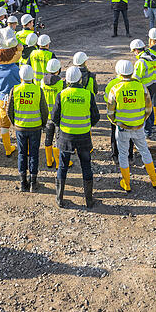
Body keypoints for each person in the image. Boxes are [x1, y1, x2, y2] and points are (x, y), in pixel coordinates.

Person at [51, 66, 100, 208]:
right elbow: (96, 116)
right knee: (86, 165)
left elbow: (54, 117)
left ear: (66, 80)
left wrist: (64, 125)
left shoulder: (62, 95)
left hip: (66, 136)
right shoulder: (88, 95)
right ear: (80, 79)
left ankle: (59, 199)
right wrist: (86, 124)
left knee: (62, 166)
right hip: (84, 136)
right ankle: (89, 200)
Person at [108, 60, 156, 192]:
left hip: (122, 129)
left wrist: (117, 123)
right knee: (144, 151)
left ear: (119, 72)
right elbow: (148, 109)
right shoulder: (141, 87)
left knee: (123, 154)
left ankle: (127, 183)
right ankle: (154, 180)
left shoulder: (115, 89)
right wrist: (141, 120)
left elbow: (110, 112)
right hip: (139, 127)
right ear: (132, 72)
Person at [9, 65, 49, 193]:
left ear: (20, 76)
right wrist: (43, 124)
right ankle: (33, 182)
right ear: (32, 76)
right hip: (35, 127)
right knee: (33, 154)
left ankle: (22, 183)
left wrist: (15, 123)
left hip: (20, 128)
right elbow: (44, 110)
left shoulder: (15, 90)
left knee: (21, 153)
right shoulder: (38, 90)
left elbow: (9, 110)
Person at [0, 27, 22, 157]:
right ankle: (25, 147)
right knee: (19, 123)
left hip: (2, 98)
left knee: (4, 124)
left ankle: (8, 148)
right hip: (16, 98)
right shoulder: (15, 70)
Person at [131, 39, 156, 137]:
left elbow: (136, 78)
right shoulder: (152, 56)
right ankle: (151, 125)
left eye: (133, 51)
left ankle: (147, 130)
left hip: (145, 87)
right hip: (154, 84)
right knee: (149, 106)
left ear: (137, 50)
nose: (134, 54)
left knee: (144, 109)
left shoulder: (140, 62)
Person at [41, 58, 65, 168]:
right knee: (58, 139)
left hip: (47, 116)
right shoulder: (60, 83)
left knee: (48, 138)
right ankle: (58, 162)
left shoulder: (42, 82)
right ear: (58, 70)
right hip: (58, 116)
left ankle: (48, 161)